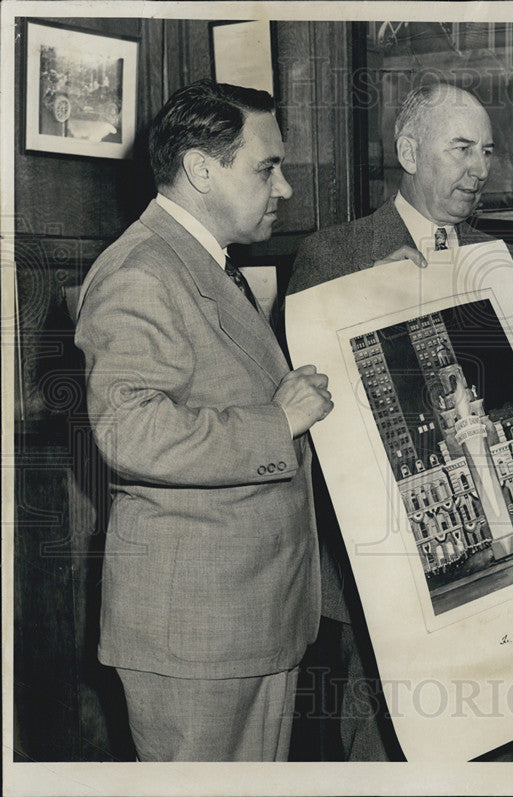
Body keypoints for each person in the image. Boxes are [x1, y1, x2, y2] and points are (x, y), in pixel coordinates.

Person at [287, 83, 513, 759]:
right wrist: (372, 303)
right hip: (386, 561)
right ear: (409, 151)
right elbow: (312, 405)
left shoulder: (502, 260)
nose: (480, 168)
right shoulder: (335, 255)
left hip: (504, 543)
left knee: (497, 725)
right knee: (391, 740)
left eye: (487, 151)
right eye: (461, 148)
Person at [74, 80, 333, 761]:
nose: (282, 190)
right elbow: (130, 431)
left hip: (249, 618)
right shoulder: (140, 269)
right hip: (197, 634)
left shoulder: (204, 264)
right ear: (200, 169)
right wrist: (276, 422)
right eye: (266, 167)